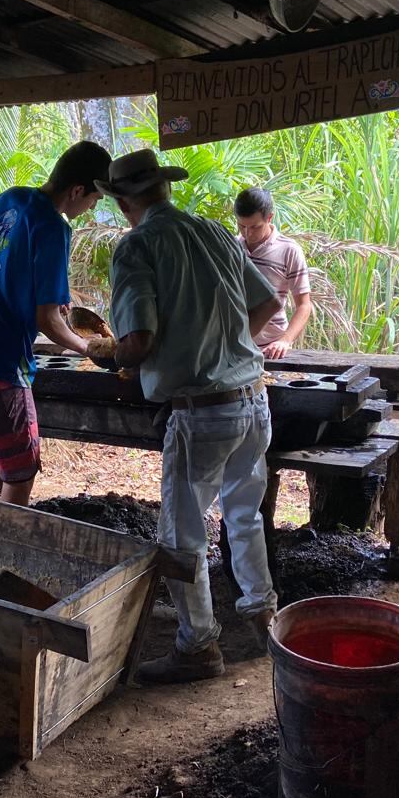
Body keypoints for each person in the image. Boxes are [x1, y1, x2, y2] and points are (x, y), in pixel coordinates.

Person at [100, 149, 281, 683]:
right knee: (245, 516)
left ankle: (198, 646)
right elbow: (269, 303)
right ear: (164, 189)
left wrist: (102, 351)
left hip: (203, 415)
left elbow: (137, 341)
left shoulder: (137, 246)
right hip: (252, 400)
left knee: (182, 537)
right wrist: (224, 349)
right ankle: (263, 618)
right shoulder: (215, 233)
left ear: (124, 200)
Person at [0, 141, 111, 506]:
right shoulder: (53, 226)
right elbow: (47, 320)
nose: (92, 207)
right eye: (95, 199)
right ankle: (8, 550)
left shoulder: (11, 199)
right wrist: (90, 348)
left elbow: (8, 272)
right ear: (77, 190)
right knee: (20, 471)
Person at [233, 187, 312, 360]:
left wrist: (285, 341)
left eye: (255, 226)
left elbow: (304, 305)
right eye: (241, 226)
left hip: (271, 351)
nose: (247, 233)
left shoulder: (289, 250)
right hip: (235, 349)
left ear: (269, 218)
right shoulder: (231, 247)